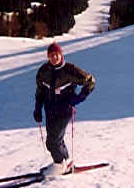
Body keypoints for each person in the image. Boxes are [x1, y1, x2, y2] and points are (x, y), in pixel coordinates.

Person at [34, 42, 95, 177]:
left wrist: (78, 98)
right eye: (51, 56)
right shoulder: (43, 71)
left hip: (64, 109)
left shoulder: (70, 70)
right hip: (49, 110)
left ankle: (59, 165)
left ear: (61, 55)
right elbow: (40, 92)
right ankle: (65, 162)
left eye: (56, 55)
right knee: (58, 139)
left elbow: (90, 81)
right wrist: (37, 108)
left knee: (52, 141)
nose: (54, 58)